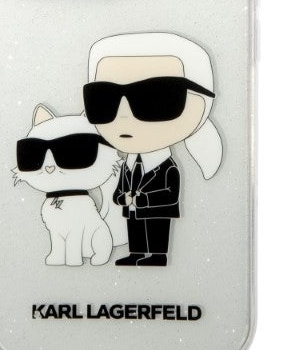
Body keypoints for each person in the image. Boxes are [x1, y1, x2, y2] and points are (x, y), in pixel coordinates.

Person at [83, 32, 223, 266]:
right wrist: (122, 198)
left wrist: (142, 199)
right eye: (104, 99)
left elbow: (170, 193)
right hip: (133, 210)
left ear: (201, 103)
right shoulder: (128, 165)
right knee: (135, 230)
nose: (124, 114)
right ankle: (137, 253)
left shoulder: (167, 168)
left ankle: (157, 255)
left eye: (156, 98)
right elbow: (120, 189)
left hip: (157, 211)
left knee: (157, 231)